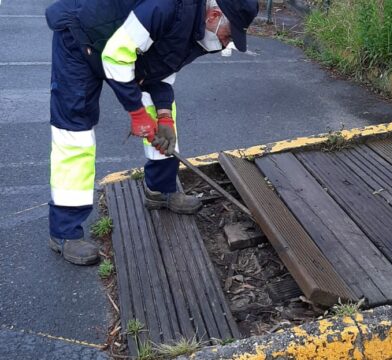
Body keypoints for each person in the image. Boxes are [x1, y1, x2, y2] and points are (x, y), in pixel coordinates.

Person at [45, 0, 259, 265]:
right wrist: (136, 113)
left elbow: (160, 69)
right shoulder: (168, 7)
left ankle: (161, 189)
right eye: (229, 36)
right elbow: (116, 56)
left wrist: (164, 115)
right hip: (80, 35)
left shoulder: (196, 30)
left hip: (119, 44)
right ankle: (65, 232)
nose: (227, 44)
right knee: (75, 133)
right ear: (214, 15)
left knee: (165, 116)